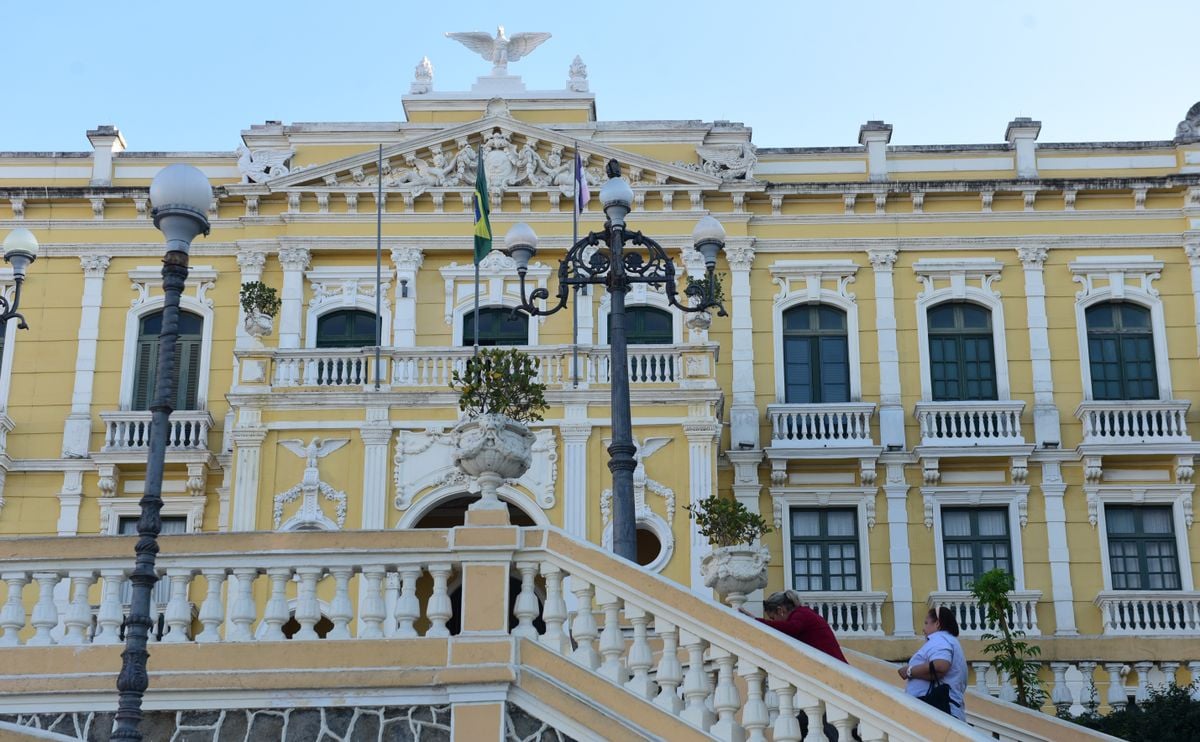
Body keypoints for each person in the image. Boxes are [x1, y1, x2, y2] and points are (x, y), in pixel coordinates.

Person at [899, 606, 968, 720]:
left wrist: (909, 671)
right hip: (946, 709)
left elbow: (941, 666)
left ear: (937, 624)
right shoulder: (950, 640)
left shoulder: (940, 639)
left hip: (935, 710)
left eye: (926, 623)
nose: (924, 629)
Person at [743, 590, 848, 663]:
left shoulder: (800, 614)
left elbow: (791, 628)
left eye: (773, 618)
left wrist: (757, 621)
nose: (773, 621)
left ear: (780, 610)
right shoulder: (803, 612)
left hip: (833, 663)